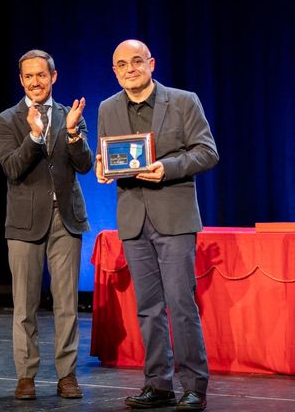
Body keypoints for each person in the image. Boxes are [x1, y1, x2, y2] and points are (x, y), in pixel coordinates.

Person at [96, 39, 218, 411]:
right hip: (133, 220)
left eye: (137, 61)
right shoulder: (107, 107)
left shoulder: (183, 101)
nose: (130, 69)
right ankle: (158, 384)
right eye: (122, 64)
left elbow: (207, 152)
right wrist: (102, 169)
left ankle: (194, 385)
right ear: (115, 71)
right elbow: (108, 155)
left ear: (152, 63)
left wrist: (169, 167)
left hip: (174, 218)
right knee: (147, 307)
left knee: (181, 304)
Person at [0, 49, 92, 400]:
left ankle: (67, 375)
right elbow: (12, 168)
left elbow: (85, 166)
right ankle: (26, 375)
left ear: (54, 77)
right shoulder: (7, 120)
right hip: (24, 222)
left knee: (66, 303)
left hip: (66, 219)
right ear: (21, 80)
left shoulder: (71, 115)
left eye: (42, 75)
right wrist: (34, 138)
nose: (36, 81)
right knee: (24, 305)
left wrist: (73, 136)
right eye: (29, 76)